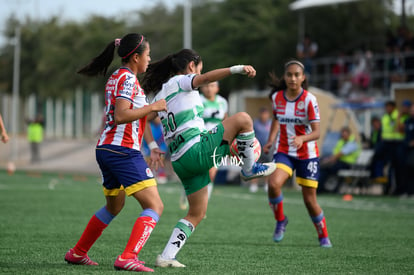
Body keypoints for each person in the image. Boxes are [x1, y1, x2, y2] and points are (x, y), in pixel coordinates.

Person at [141, 48, 276, 267]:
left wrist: (153, 145)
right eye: (199, 68)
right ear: (192, 66)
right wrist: (236, 69)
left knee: (196, 213)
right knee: (242, 118)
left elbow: (143, 119)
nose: (200, 75)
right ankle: (250, 168)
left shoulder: (161, 93)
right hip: (195, 150)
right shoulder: (182, 81)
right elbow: (205, 79)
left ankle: (166, 256)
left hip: (180, 161)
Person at [64, 33, 167, 272]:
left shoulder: (118, 77)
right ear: (135, 57)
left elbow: (136, 116)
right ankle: (128, 256)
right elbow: (122, 115)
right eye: (148, 55)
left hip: (108, 149)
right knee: (155, 206)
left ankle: (78, 252)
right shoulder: (128, 79)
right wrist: (152, 106)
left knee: (114, 207)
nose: (150, 59)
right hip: (122, 151)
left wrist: (158, 107)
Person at [263, 60, 332, 248]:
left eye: (296, 75)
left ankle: (323, 235)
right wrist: (270, 140)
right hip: (284, 151)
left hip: (307, 154)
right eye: (289, 75)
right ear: (284, 77)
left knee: (309, 200)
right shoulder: (277, 97)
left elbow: (317, 132)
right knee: (273, 184)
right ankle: (281, 220)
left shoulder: (309, 99)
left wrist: (303, 138)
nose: (293, 78)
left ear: (303, 78)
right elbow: (276, 120)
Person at [179, 81, 228, 209]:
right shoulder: (197, 100)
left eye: (212, 86)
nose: (208, 89)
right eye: (206, 86)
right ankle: (186, 193)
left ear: (217, 88)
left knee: (211, 173)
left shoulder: (223, 102)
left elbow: (226, 121)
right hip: (199, 140)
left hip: (216, 142)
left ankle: (203, 206)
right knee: (196, 172)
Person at [318, 126, 361, 193]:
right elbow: (335, 153)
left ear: (349, 134)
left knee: (325, 168)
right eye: (342, 134)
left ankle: (319, 189)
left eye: (345, 134)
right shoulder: (341, 141)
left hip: (348, 164)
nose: (343, 136)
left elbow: (340, 154)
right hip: (340, 162)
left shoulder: (352, 143)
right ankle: (321, 188)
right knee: (323, 166)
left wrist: (327, 161)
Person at [249, 107, 272, 193]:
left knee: (267, 166)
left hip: (268, 148)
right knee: (255, 166)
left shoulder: (271, 123)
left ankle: (266, 184)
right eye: (262, 114)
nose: (264, 116)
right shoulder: (255, 123)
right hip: (257, 148)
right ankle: (254, 184)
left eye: (266, 114)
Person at [402, 104, 414, 197]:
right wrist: (399, 116)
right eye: (411, 109)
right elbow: (399, 130)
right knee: (407, 169)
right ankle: (409, 191)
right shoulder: (407, 120)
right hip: (407, 148)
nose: (411, 111)